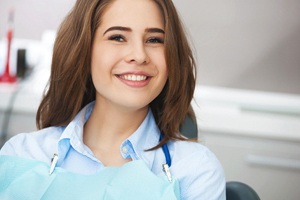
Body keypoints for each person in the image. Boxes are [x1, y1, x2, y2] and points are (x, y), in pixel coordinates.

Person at [0, 0, 225, 199]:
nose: (139, 55)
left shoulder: (195, 171)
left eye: (155, 39)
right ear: (84, 50)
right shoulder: (22, 156)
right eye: (117, 37)